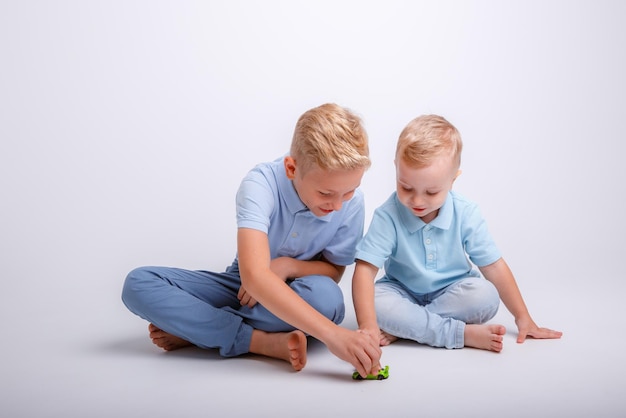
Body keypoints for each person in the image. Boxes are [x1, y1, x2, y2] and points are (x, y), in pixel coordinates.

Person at [122, 103, 381, 377]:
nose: (338, 205)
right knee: (138, 284)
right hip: (243, 288)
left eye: (350, 191)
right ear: (292, 169)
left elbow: (334, 270)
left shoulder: (352, 204)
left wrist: (288, 266)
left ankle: (200, 330)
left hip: (303, 289)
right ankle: (260, 341)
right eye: (326, 193)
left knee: (328, 298)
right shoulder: (261, 184)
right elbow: (254, 278)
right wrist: (334, 336)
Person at [352, 114, 562, 353]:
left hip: (453, 292)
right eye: (406, 187)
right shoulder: (388, 215)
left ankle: (404, 327)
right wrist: (369, 326)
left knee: (485, 296)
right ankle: (457, 334)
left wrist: (523, 317)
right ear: (396, 168)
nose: (417, 200)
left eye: (431, 192)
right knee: (375, 301)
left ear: (453, 180)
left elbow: (493, 266)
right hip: (401, 291)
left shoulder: (466, 212)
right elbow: (364, 271)